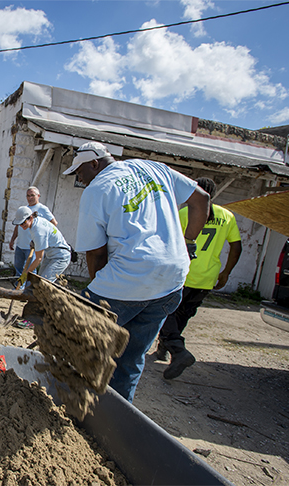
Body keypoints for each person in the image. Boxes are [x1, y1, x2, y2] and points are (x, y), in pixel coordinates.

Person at [63, 141, 210, 402]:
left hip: (128, 278)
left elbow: (96, 253)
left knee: (77, 346)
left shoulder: (98, 189)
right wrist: (188, 243)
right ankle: (116, 422)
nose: (79, 178)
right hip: (171, 282)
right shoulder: (155, 169)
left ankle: (68, 407)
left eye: (79, 171)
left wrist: (102, 300)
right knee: (130, 359)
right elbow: (201, 199)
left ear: (94, 163)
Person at [157, 177, 242, 379]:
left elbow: (169, 240)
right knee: (183, 315)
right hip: (206, 278)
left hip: (183, 274)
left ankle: (178, 350)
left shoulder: (185, 213)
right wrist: (226, 272)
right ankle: (165, 349)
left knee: (165, 313)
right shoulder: (227, 216)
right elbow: (236, 246)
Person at [11, 206, 70, 283]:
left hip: (60, 256)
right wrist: (35, 242)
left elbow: (38, 259)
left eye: (23, 222)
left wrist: (25, 274)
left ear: (31, 218)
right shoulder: (36, 222)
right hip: (51, 255)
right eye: (20, 224)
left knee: (43, 283)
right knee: (38, 281)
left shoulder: (38, 232)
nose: (22, 226)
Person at [8, 186, 58, 276]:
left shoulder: (42, 209)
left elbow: (53, 224)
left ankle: (29, 289)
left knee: (30, 270)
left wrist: (41, 239)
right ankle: (18, 287)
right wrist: (12, 239)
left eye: (32, 195)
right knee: (18, 268)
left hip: (31, 247)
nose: (30, 198)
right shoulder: (24, 209)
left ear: (38, 196)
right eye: (28, 196)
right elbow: (17, 226)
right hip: (20, 244)